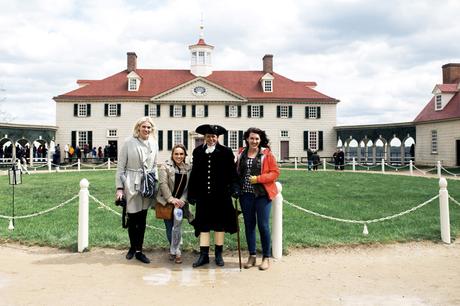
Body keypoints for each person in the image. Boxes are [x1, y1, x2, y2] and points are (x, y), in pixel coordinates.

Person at [187, 124, 239, 268]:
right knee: (203, 225)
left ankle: (218, 254)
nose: (211, 139)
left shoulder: (226, 152)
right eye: (209, 136)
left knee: (219, 226)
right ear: (205, 137)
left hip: (221, 197)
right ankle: (203, 255)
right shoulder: (198, 152)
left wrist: (235, 188)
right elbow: (195, 174)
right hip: (203, 197)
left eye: (214, 136)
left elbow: (232, 174)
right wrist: (192, 193)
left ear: (218, 137)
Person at [115, 116, 158, 264]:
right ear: (138, 128)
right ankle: (132, 247)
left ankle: (139, 250)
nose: (146, 129)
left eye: (149, 127)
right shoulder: (128, 143)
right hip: (131, 183)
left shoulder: (154, 143)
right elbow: (120, 168)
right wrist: (120, 188)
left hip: (147, 184)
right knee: (132, 218)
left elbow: (155, 165)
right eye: (144, 127)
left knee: (143, 219)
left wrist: (154, 183)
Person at [236, 127, 280, 271]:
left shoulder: (267, 154)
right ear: (247, 139)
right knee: (249, 225)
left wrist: (259, 179)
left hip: (262, 195)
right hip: (246, 195)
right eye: (251, 138)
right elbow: (237, 172)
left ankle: (266, 257)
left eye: (257, 139)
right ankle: (252, 255)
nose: (254, 141)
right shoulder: (241, 153)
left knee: (263, 225)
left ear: (260, 140)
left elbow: (275, 173)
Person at [156, 144, 194, 264]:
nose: (179, 156)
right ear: (172, 155)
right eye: (176, 154)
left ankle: (174, 250)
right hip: (167, 202)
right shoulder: (164, 167)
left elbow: (189, 187)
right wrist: (171, 199)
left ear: (185, 155)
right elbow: (163, 184)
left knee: (177, 226)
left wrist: (182, 200)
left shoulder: (188, 168)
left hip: (181, 203)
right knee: (170, 227)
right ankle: (176, 250)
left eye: (181, 154)